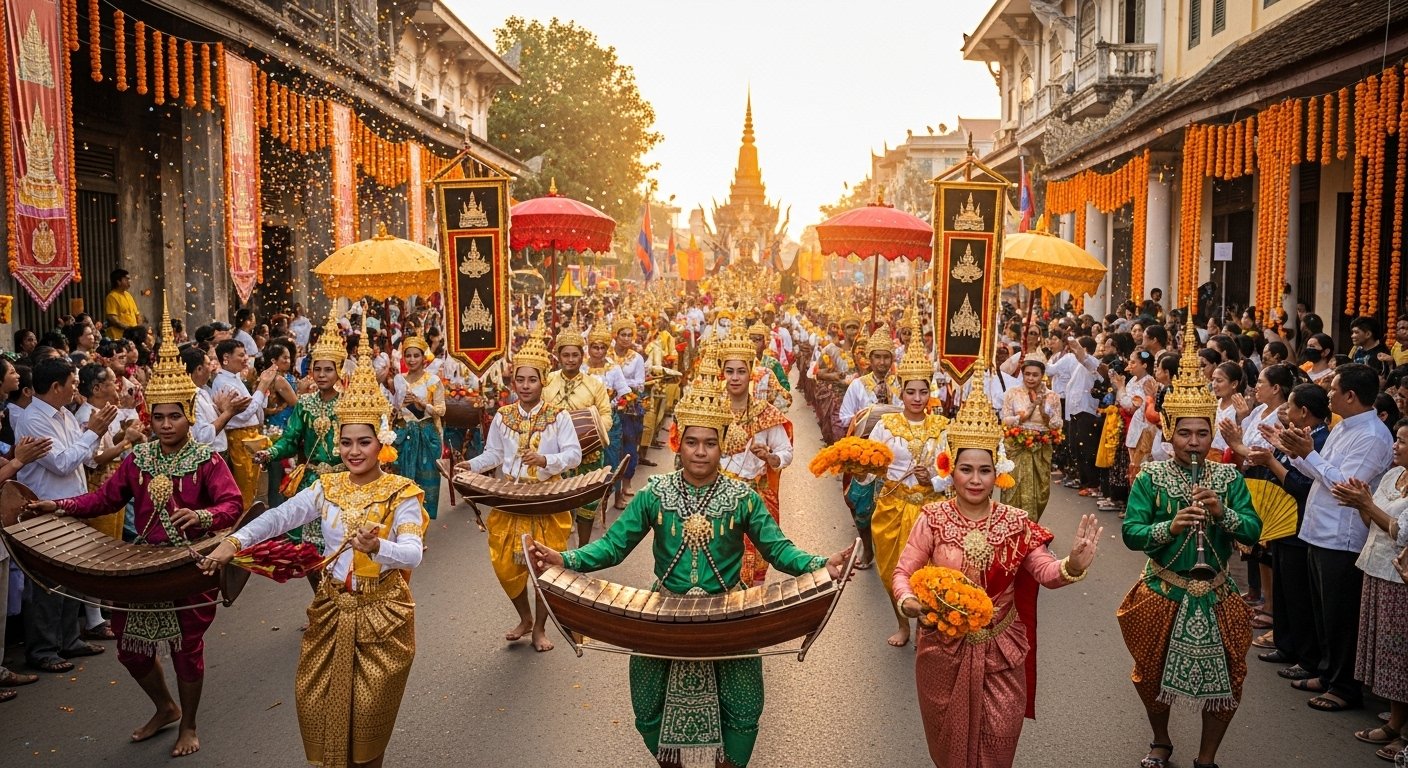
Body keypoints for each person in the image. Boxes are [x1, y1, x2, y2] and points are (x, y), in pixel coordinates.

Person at [527, 371, 853, 768]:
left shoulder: (743, 497)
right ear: (678, 445)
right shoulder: (654, 494)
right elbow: (614, 547)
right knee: (647, 707)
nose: (701, 452)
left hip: (731, 616)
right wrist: (566, 559)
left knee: (746, 709)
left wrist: (823, 565)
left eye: (710, 443)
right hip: (663, 616)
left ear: (721, 446)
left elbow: (779, 550)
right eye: (693, 443)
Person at [202, 329, 427, 768]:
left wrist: (380, 547)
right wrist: (234, 542)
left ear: (381, 443)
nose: (353, 451)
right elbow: (278, 517)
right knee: (317, 708)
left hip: (383, 614)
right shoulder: (327, 486)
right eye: (346, 442)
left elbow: (413, 553)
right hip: (330, 609)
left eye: (364, 442)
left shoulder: (401, 493)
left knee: (366, 720)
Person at [27, 309, 244, 757]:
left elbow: (232, 505)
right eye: (159, 417)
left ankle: (190, 724)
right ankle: (164, 707)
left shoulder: (207, 460)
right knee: (132, 650)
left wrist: (201, 518)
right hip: (142, 565)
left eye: (175, 417)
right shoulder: (137, 459)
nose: (166, 425)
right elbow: (104, 500)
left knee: (186, 650)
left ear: (188, 416)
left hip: (188, 564)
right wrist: (59, 505)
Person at [893, 377, 1100, 768]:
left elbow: (1043, 571)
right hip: (942, 648)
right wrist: (907, 601)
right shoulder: (933, 519)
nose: (975, 480)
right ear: (950, 470)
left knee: (999, 743)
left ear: (997, 472)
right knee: (949, 750)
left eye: (984, 470)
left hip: (1002, 649)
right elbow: (904, 571)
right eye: (966, 470)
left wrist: (1071, 565)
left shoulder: (1016, 521)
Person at [1117, 315, 1263, 768]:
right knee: (1150, 674)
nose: (1194, 442)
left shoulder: (1226, 476)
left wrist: (1224, 513)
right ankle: (1161, 740)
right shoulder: (1152, 477)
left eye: (1202, 433)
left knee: (1230, 679)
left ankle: (1206, 757)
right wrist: (1171, 527)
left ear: (1212, 433)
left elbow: (1254, 531)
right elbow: (1130, 533)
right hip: (1163, 590)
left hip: (1217, 592)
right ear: (1170, 432)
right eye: (1185, 433)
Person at [1268, 363, 1394, 712]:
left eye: (1334, 389)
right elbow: (1322, 471)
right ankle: (1326, 673)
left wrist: (1308, 455)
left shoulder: (1372, 435)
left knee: (1340, 617)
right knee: (1322, 612)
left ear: (1351, 395)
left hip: (1343, 535)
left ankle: (1344, 686)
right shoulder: (1344, 427)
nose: (1328, 395)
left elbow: (1345, 486)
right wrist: (1298, 454)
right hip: (1319, 529)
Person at [464, 331, 582, 652]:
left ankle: (540, 630)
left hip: (546, 499)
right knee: (505, 564)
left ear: (543, 380)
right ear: (513, 382)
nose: (526, 385)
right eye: (520, 379)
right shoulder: (503, 416)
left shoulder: (558, 417)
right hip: (510, 499)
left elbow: (574, 455)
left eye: (532, 379)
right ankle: (525, 617)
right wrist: (470, 466)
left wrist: (545, 459)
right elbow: (494, 455)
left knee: (544, 568)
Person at [15, 356, 115, 673]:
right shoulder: (33, 420)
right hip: (44, 508)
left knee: (72, 576)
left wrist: (96, 433)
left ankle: (70, 640)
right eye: (72, 383)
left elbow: (85, 458)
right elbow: (61, 463)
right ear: (56, 386)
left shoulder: (64, 415)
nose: (76, 389)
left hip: (71, 505)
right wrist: (92, 432)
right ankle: (43, 649)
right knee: (47, 583)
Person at [1329, 419, 1408, 760]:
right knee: (1385, 653)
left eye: (1403, 441)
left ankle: (1403, 733)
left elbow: (1401, 532)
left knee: (1400, 656)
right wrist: (1361, 505)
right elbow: (1373, 523)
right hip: (1375, 567)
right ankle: (1395, 722)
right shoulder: (1393, 475)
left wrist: (1368, 504)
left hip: (1399, 578)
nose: (1395, 445)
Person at [869, 328, 948, 648]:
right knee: (892, 571)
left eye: (923, 392)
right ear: (901, 392)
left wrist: (935, 480)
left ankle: (925, 628)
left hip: (930, 510)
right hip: (893, 507)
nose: (917, 398)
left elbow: (952, 469)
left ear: (930, 392)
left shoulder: (941, 428)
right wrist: (863, 466)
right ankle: (903, 624)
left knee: (929, 572)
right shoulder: (885, 426)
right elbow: (870, 465)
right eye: (911, 392)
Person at [254, 312, 347, 553]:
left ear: (339, 371)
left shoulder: (350, 404)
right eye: (318, 369)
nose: (322, 375)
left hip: (345, 482)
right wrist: (271, 452)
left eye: (328, 370)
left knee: (342, 544)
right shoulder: (304, 404)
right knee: (310, 548)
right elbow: (290, 439)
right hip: (312, 482)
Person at [716, 326, 793, 587]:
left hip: (755, 497)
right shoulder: (710, 411)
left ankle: (748, 614)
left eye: (741, 371)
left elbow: (786, 453)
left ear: (751, 373)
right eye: (729, 371)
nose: (735, 378)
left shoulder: (766, 413)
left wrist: (771, 458)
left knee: (755, 558)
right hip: (714, 495)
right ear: (721, 373)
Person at [543, 320, 614, 546]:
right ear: (558, 356)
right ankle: (560, 554)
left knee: (586, 506)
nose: (571, 359)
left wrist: (588, 435)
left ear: (582, 356)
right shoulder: (547, 381)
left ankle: (582, 553)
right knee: (559, 505)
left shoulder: (595, 385)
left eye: (575, 355)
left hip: (588, 455)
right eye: (566, 355)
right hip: (556, 456)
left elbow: (606, 416)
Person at [210, 340, 276, 505]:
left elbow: (256, 409)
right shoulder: (222, 382)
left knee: (254, 487)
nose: (246, 358)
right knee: (245, 489)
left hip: (249, 436)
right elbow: (244, 414)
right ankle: (243, 525)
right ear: (226, 358)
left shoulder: (235, 379)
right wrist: (262, 386)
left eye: (245, 354)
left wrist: (263, 390)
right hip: (239, 439)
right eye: (241, 355)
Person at [1000, 354, 1062, 520]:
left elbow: (1058, 423)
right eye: (1027, 374)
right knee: (1013, 488)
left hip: (1041, 447)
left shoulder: (1052, 396)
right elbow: (1005, 419)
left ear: (1042, 376)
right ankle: (1011, 524)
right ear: (1022, 373)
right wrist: (1023, 415)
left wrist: (1043, 412)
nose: (1031, 378)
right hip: (1017, 445)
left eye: (1035, 375)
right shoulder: (1012, 393)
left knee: (1041, 491)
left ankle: (1032, 526)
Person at [390, 335, 445, 520]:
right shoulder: (399, 379)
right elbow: (394, 409)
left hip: (426, 435)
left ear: (423, 358)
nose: (412, 360)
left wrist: (422, 404)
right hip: (403, 434)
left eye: (416, 356)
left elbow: (441, 410)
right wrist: (398, 406)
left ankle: (422, 527)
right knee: (401, 482)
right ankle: (404, 524)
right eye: (408, 356)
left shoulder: (433, 381)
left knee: (423, 483)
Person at [104, 268, 142, 340]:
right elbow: (112, 318)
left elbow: (137, 314)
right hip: (119, 337)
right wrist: (128, 329)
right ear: (118, 281)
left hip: (133, 336)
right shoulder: (112, 296)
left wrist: (138, 329)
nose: (129, 281)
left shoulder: (128, 295)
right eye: (127, 279)